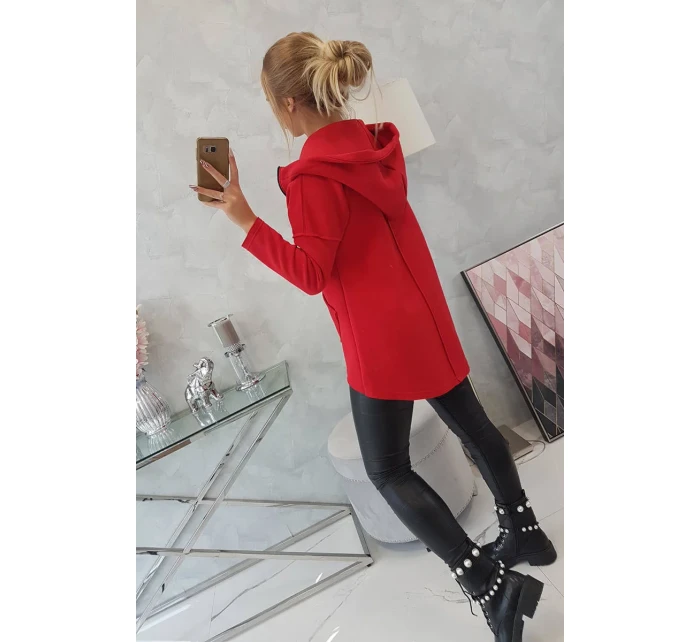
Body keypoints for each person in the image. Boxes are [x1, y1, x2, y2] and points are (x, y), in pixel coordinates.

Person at [189, 32, 557, 642]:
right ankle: (525, 532)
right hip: (424, 313)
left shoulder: (312, 178)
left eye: (270, 102)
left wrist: (244, 218)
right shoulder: (373, 146)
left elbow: (312, 274)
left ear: (286, 104)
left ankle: (492, 587)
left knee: (386, 469)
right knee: (472, 424)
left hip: (379, 337)